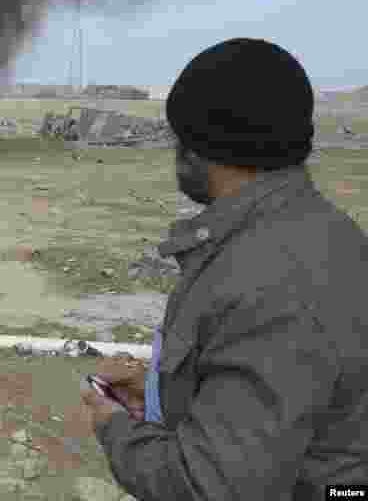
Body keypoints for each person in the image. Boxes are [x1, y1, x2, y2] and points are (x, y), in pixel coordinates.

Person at [80, 38, 368, 500]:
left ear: (196, 149)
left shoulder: (272, 278)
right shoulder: (317, 230)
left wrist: (116, 429)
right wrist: (163, 394)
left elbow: (209, 486)